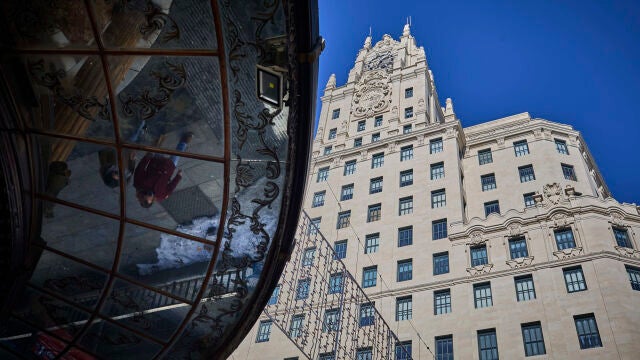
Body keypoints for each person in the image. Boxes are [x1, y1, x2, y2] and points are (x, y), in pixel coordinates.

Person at [134, 132, 193, 208]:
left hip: (156, 162)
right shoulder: (160, 196)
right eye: (150, 196)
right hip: (169, 168)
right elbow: (171, 187)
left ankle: (161, 136)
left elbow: (140, 168)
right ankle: (184, 141)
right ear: (152, 200)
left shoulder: (139, 184)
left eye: (146, 194)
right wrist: (178, 177)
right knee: (178, 153)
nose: (149, 193)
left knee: (158, 147)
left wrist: (148, 156)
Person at [99, 120, 146, 188]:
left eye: (115, 173)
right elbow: (131, 166)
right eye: (118, 175)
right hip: (127, 147)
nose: (118, 173)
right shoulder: (127, 174)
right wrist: (133, 158)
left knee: (133, 134)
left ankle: (140, 126)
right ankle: (141, 127)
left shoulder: (107, 166)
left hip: (119, 143)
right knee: (135, 136)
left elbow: (105, 150)